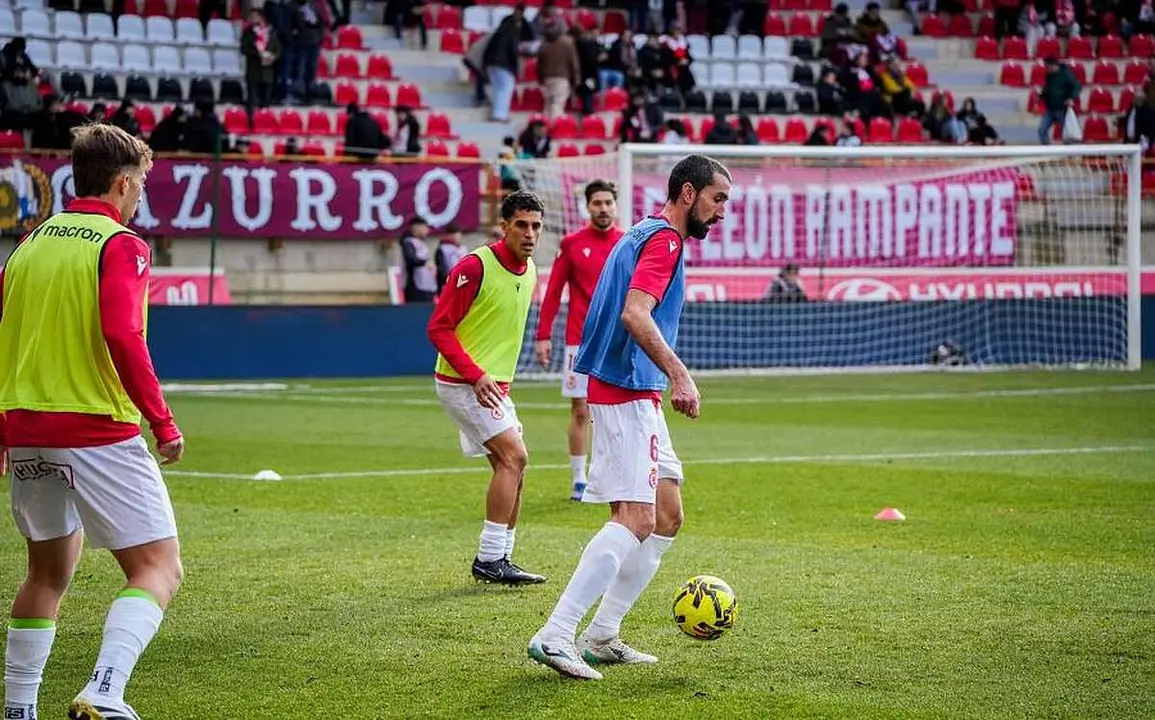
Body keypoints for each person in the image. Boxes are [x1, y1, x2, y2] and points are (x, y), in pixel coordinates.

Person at [0, 123, 185, 720]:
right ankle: (105, 690)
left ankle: (20, 709)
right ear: (124, 182)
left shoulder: (27, 246)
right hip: (95, 429)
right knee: (157, 567)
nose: (141, 197)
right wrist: (162, 420)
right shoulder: (121, 244)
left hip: (27, 429)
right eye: (142, 185)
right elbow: (122, 334)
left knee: (46, 574)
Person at [528, 154, 731, 680]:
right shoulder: (664, 240)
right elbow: (634, 313)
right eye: (717, 199)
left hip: (635, 389)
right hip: (624, 391)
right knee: (636, 518)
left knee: (666, 515)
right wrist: (681, 374)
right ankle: (556, 633)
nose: (722, 212)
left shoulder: (642, 230)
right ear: (689, 194)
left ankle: (602, 634)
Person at [427, 191, 549, 586]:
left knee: (513, 465)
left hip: (493, 387)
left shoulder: (529, 271)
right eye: (522, 225)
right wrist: (476, 375)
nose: (530, 234)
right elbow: (438, 328)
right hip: (463, 383)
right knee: (515, 457)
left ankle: (503, 557)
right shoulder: (475, 266)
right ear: (504, 226)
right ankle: (489, 557)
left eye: (536, 226)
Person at [535, 180, 625, 501]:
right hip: (580, 342)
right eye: (597, 203)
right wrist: (543, 334)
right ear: (588, 207)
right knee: (580, 409)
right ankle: (578, 478)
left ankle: (613, 474)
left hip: (617, 340)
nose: (603, 208)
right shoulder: (572, 243)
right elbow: (554, 290)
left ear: (616, 205)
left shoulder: (627, 242)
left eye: (608, 203)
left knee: (616, 409)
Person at [400, 216, 437, 303]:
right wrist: (424, 262)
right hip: (415, 287)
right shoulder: (409, 243)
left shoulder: (421, 243)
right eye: (425, 228)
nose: (427, 231)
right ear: (417, 228)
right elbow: (411, 260)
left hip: (427, 287)